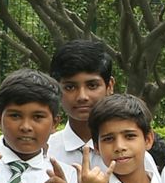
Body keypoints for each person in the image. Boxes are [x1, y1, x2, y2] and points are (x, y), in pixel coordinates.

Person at [45, 37, 118, 171]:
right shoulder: (44, 153)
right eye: (70, 87)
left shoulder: (129, 153)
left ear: (110, 86)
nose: (82, 96)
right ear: (55, 89)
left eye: (92, 85)